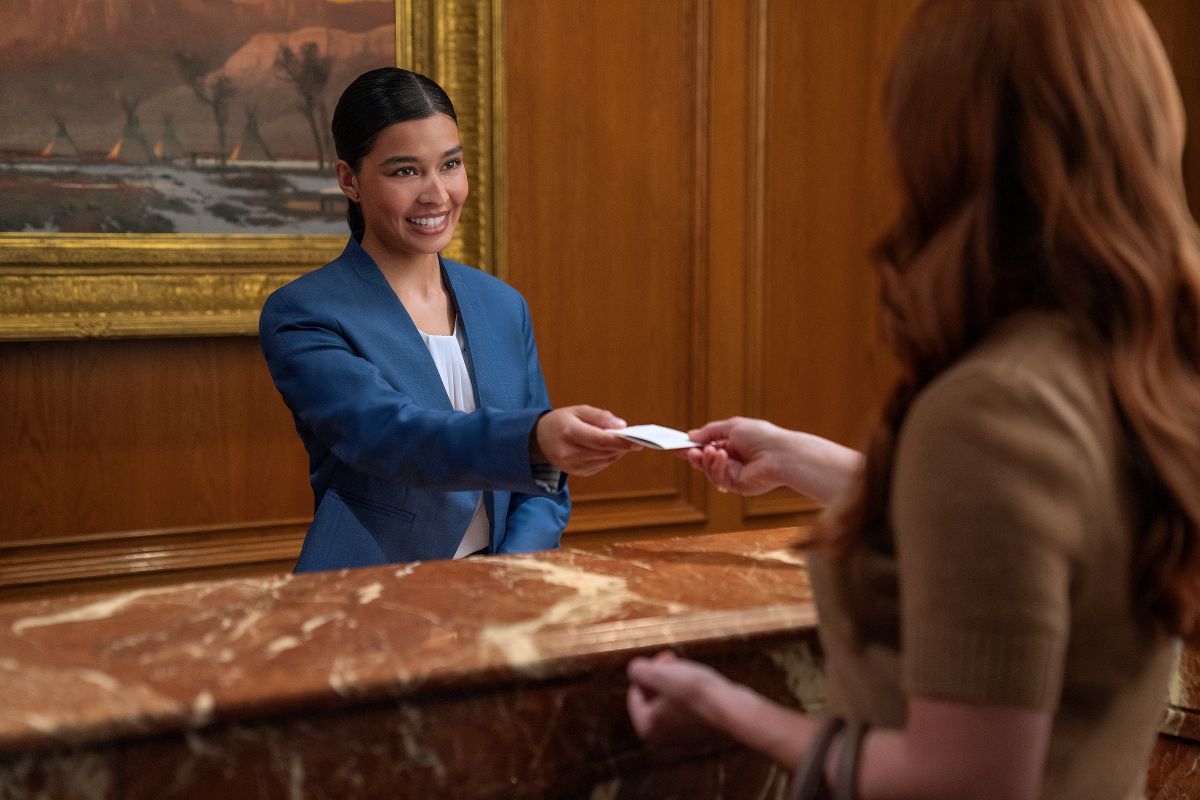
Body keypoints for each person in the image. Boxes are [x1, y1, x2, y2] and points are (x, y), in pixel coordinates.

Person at [626, 1, 1200, 798]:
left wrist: (728, 709)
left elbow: (964, 778)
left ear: (947, 138)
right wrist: (805, 459)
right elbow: (1025, 531)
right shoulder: (1143, 359)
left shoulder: (992, 407)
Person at [260, 67, 638, 571]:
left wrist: (511, 576)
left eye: (450, 165)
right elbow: (394, 439)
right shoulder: (305, 313)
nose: (437, 194)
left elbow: (543, 485)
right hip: (368, 597)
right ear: (349, 180)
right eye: (405, 171)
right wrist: (532, 439)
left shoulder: (503, 305)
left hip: (500, 592)